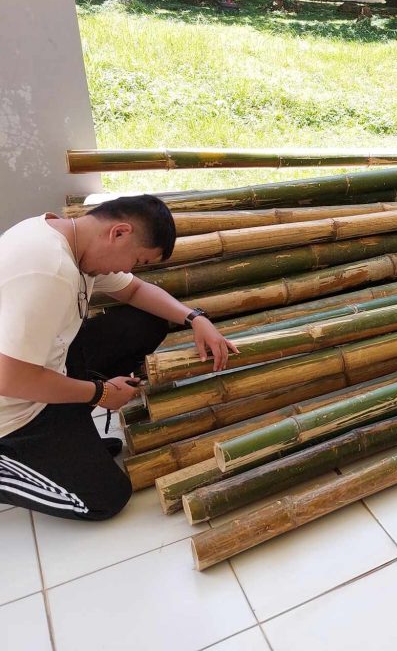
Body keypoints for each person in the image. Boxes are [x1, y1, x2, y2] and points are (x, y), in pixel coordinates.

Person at [0, 196, 237, 519]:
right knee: (105, 499)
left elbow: (135, 291)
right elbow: (11, 379)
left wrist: (195, 318)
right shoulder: (50, 271)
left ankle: (70, 428)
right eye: (137, 260)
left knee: (146, 321)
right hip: (13, 409)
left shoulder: (69, 238)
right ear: (120, 233)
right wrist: (101, 393)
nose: (128, 269)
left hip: (43, 363)